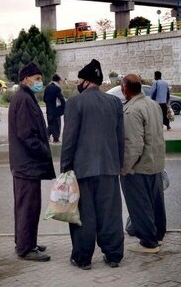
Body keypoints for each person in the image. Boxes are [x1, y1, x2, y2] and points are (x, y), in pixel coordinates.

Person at [60, 59, 125, 270]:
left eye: (79, 79)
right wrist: (119, 164)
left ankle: (83, 258)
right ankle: (114, 255)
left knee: (84, 215)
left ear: (87, 81)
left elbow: (69, 139)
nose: (77, 82)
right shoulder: (114, 103)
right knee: (110, 214)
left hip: (82, 169)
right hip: (109, 168)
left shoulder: (75, 103)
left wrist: (65, 168)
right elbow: (120, 138)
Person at [8, 62, 55, 262]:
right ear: (26, 79)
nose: (40, 82)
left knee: (26, 205)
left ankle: (26, 242)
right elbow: (27, 135)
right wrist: (44, 151)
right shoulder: (24, 100)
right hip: (27, 165)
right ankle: (26, 248)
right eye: (37, 79)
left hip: (24, 165)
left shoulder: (24, 97)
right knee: (29, 206)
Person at [120, 74, 167, 253]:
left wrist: (125, 168)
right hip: (155, 163)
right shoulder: (153, 104)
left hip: (138, 167)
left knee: (140, 206)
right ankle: (158, 236)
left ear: (125, 88)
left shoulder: (132, 110)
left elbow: (134, 144)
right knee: (156, 203)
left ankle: (148, 242)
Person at [43, 74, 66, 142]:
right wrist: (64, 107)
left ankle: (47, 136)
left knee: (51, 124)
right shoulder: (57, 88)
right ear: (58, 80)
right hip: (55, 110)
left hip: (49, 109)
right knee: (57, 124)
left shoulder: (47, 87)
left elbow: (44, 98)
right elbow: (61, 99)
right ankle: (56, 138)